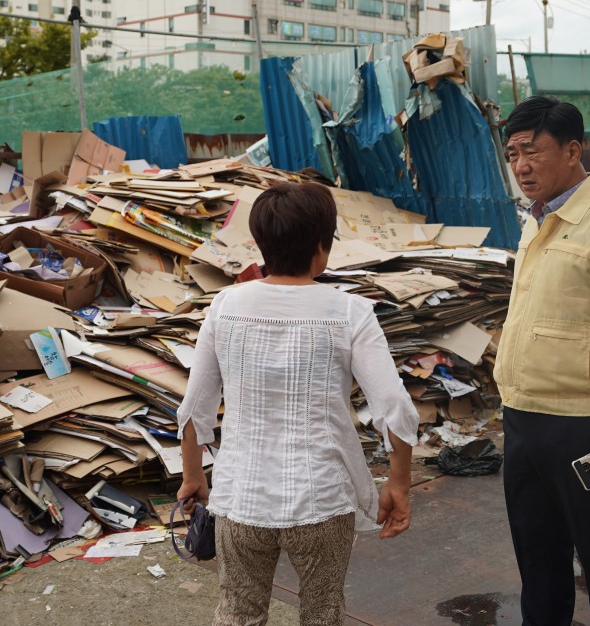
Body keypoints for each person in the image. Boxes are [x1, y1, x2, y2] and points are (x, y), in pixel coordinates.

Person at [177, 181, 419, 626]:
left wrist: (193, 475)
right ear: (322, 247)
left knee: (237, 614)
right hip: (322, 499)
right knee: (323, 613)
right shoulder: (349, 312)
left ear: (261, 243)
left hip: (240, 499)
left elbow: (195, 408)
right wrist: (399, 484)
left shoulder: (225, 305)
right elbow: (394, 408)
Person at [495, 96, 590, 626]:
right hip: (523, 419)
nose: (521, 165)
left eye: (532, 151)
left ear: (573, 151)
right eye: (513, 152)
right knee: (538, 563)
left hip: (582, 428)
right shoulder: (536, 222)